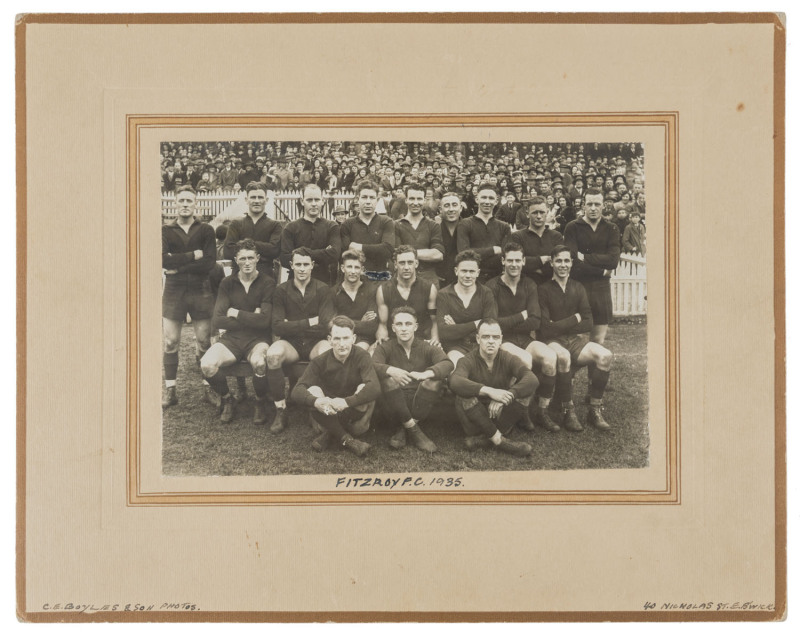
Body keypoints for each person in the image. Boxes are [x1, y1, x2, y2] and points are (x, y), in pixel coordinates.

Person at [199, 239, 276, 424]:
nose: (247, 262)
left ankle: (259, 402)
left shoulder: (268, 282)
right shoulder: (227, 283)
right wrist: (252, 317)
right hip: (232, 339)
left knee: (259, 363)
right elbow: (218, 319)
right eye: (242, 259)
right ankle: (227, 399)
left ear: (258, 258)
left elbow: (265, 321)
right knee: (207, 365)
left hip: (258, 340)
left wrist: (235, 313)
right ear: (236, 260)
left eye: (251, 258)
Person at [538, 245, 614, 431]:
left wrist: (561, 324)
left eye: (566, 261)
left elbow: (588, 322)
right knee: (562, 356)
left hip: (575, 340)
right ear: (552, 263)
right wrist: (574, 318)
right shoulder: (544, 289)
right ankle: (568, 410)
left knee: (605, 356)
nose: (563, 265)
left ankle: (594, 410)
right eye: (559, 261)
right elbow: (546, 328)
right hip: (552, 342)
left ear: (572, 263)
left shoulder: (578, 287)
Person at [485, 243, 559, 432]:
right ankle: (519, 412)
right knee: (524, 361)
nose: (514, 264)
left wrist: (517, 320)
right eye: (510, 260)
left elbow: (535, 320)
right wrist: (521, 316)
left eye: (518, 260)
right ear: (503, 261)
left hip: (525, 338)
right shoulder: (492, 286)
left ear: (524, 261)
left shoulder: (529, 284)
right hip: (503, 339)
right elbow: (493, 324)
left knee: (550, 358)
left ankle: (542, 411)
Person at [265, 247, 335, 433]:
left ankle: (316, 408)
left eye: (306, 264)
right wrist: (310, 321)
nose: (302, 268)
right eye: (298, 264)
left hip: (316, 342)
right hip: (291, 343)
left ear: (312, 266)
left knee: (327, 353)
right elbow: (277, 326)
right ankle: (281, 410)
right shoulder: (281, 290)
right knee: (272, 355)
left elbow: (325, 324)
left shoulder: (323, 289)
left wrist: (293, 324)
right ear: (291, 265)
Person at [291, 316, 381, 457]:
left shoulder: (362, 356)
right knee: (313, 391)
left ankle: (331, 433)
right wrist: (317, 401)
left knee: (365, 387)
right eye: (337, 338)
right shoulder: (320, 361)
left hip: (354, 418)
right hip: (328, 412)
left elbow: (375, 387)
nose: (342, 344)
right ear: (329, 340)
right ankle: (347, 440)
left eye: (346, 338)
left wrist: (346, 402)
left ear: (354, 338)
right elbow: (297, 390)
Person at [161, 185, 216, 409]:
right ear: (175, 203)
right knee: (171, 341)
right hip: (174, 290)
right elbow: (164, 261)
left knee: (203, 341)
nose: (185, 204)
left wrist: (179, 265)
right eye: (181, 200)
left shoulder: (206, 230)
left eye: (189, 201)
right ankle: (170, 390)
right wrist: (192, 255)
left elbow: (209, 263)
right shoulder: (165, 230)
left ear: (195, 204)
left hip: (200, 288)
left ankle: (208, 387)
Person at [449, 319, 537, 457]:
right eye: (485, 337)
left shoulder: (508, 358)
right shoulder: (467, 360)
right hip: (474, 420)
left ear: (501, 339)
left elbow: (532, 379)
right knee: (463, 393)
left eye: (495, 337)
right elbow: (454, 381)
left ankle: (484, 440)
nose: (491, 341)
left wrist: (508, 395)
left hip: (500, 417)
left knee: (526, 390)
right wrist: (491, 392)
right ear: (478, 339)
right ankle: (499, 441)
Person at [372, 307, 454, 453]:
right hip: (394, 403)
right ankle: (414, 430)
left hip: (420, 403)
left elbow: (448, 364)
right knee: (387, 379)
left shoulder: (427, 346)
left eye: (408, 324)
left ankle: (404, 428)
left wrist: (427, 373)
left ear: (415, 327)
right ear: (393, 328)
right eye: (399, 324)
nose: (404, 328)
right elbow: (372, 365)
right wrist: (391, 370)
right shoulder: (385, 347)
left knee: (434, 380)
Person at [563, 187, 620, 345]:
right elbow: (573, 263)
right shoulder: (572, 227)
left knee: (597, 341)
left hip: (601, 290)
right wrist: (602, 271)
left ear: (603, 206)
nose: (593, 208)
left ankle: (597, 370)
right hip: (578, 288)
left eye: (597, 204)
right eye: (589, 204)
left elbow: (613, 261)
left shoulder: (612, 228)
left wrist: (586, 257)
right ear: (583, 206)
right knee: (578, 341)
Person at [436, 250, 498, 366]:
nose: (468, 275)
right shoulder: (444, 294)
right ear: (456, 271)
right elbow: (444, 332)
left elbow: (490, 327)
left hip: (482, 346)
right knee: (458, 366)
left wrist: (456, 328)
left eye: (472, 271)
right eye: (464, 271)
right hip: (455, 347)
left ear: (478, 273)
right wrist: (476, 323)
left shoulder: (486, 293)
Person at [279, 183, 341, 284]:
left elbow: (334, 255)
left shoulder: (331, 226)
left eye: (317, 200)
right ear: (302, 201)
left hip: (324, 282)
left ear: (322, 201)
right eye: (309, 200)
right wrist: (323, 254)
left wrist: (302, 252)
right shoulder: (290, 228)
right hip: (296, 284)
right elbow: (285, 259)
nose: (313, 204)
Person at [376, 245, 439, 344]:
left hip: (421, 341)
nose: (406, 267)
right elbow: (382, 324)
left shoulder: (429, 288)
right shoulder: (384, 290)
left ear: (416, 263)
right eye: (402, 263)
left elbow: (434, 321)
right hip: (394, 341)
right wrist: (382, 341)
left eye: (410, 262)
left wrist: (435, 339)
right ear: (396, 265)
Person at [223, 181, 282, 281]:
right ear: (246, 200)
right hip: (239, 277)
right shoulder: (236, 224)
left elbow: (274, 250)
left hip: (265, 278)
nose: (257, 201)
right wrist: (262, 248)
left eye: (260, 197)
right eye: (253, 197)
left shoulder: (275, 225)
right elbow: (228, 251)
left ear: (266, 200)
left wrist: (245, 245)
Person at [340, 180, 396, 280]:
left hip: (381, 277)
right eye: (364, 197)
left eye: (372, 198)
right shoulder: (347, 224)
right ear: (358, 199)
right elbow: (347, 254)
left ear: (377, 200)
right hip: (356, 279)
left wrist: (359, 247)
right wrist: (377, 248)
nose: (368, 202)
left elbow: (387, 250)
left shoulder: (386, 221)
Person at [456, 184, 511, 282]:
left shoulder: (504, 227)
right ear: (477, 199)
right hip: (472, 278)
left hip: (497, 278)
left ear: (496, 201)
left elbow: (505, 255)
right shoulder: (465, 224)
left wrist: (476, 252)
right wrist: (493, 250)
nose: (487, 202)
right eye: (483, 198)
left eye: (491, 198)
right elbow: (464, 253)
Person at [393, 182, 445, 285]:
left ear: (424, 200)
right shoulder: (396, 225)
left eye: (419, 199)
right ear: (406, 200)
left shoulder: (433, 225)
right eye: (412, 199)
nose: (415, 203)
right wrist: (425, 253)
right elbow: (396, 254)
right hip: (403, 278)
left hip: (428, 279)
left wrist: (408, 253)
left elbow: (438, 254)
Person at [327, 250, 379, 351]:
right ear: (343, 268)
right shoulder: (333, 292)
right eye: (349, 267)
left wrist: (342, 321)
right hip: (340, 339)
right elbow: (330, 324)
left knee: (357, 352)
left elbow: (371, 326)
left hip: (364, 340)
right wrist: (361, 322)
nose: (353, 271)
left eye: (357, 267)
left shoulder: (372, 290)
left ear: (362, 269)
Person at [509, 196, 565, 286]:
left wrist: (533, 267)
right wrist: (544, 259)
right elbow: (516, 263)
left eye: (542, 212)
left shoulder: (556, 236)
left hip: (552, 286)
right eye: (535, 213)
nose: (539, 216)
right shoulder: (517, 236)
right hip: (525, 287)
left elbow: (561, 263)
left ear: (547, 212)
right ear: (527, 214)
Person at [435, 191, 462, 288]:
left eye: (454, 205)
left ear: (461, 208)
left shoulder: (469, 227)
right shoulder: (434, 228)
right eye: (446, 205)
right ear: (440, 209)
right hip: (440, 282)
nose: (451, 209)